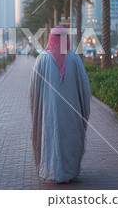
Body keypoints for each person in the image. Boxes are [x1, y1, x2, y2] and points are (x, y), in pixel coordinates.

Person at [29, 25, 91, 183]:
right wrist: (84, 111)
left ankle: (51, 171)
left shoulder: (42, 58)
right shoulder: (75, 59)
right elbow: (85, 89)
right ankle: (67, 173)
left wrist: (36, 111)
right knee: (70, 140)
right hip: (72, 115)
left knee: (50, 139)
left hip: (47, 114)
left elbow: (33, 91)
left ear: (50, 38)